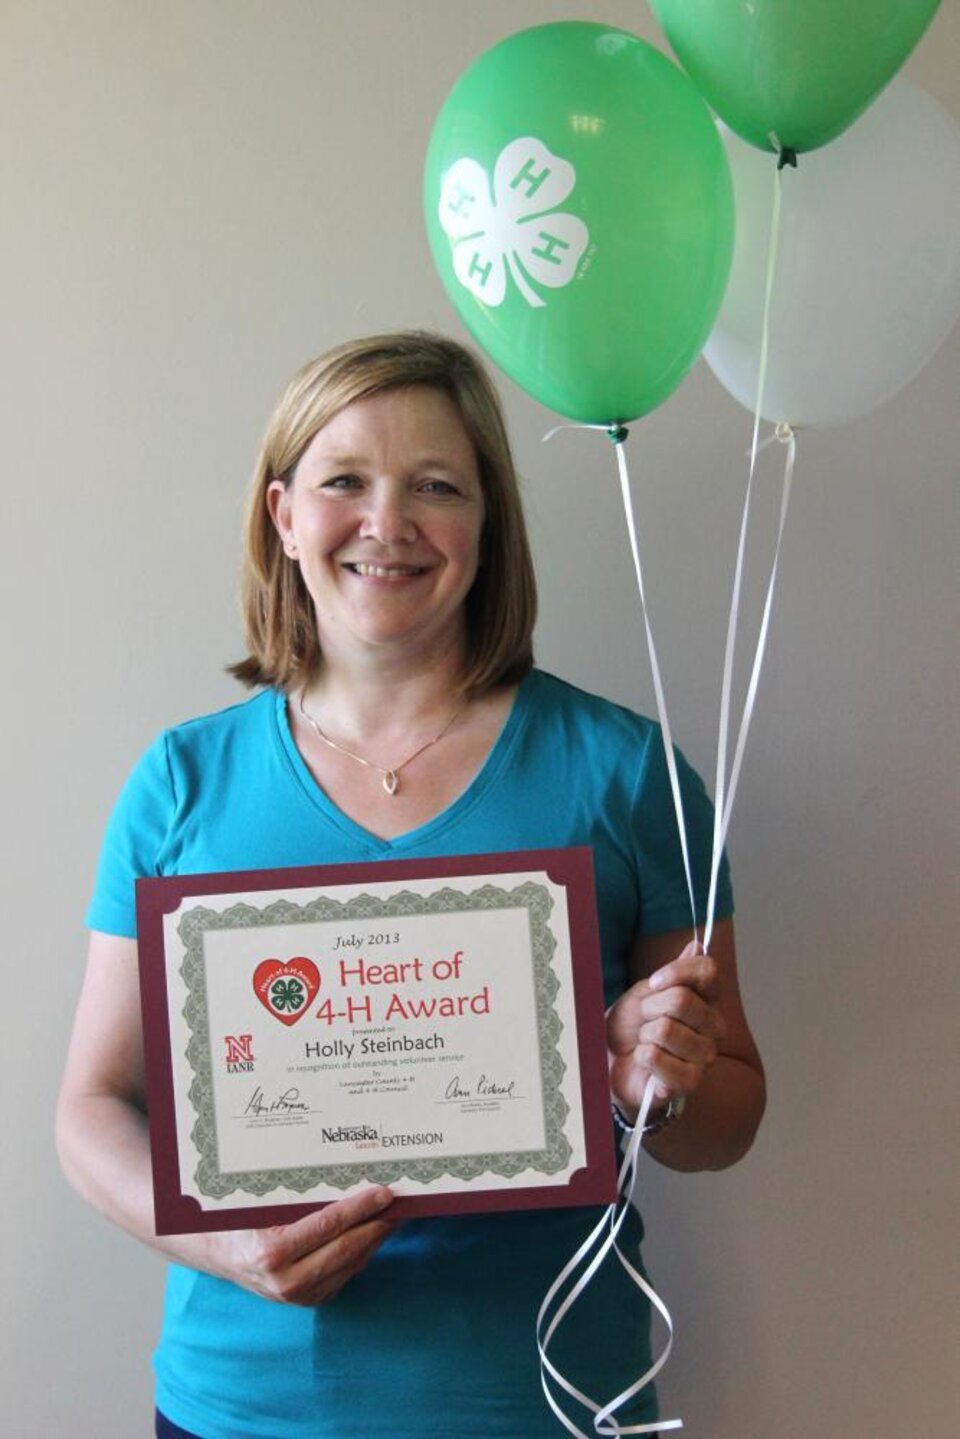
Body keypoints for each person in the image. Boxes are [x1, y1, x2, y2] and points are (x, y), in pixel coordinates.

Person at [57, 331, 765, 1438]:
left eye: (437, 485)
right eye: (345, 481)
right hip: (242, 1407)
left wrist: (651, 1077)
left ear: (487, 529)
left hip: (547, 1404)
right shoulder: (182, 782)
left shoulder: (627, 774)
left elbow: (728, 1113)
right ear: (284, 515)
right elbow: (92, 1104)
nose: (387, 522)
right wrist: (223, 1245)